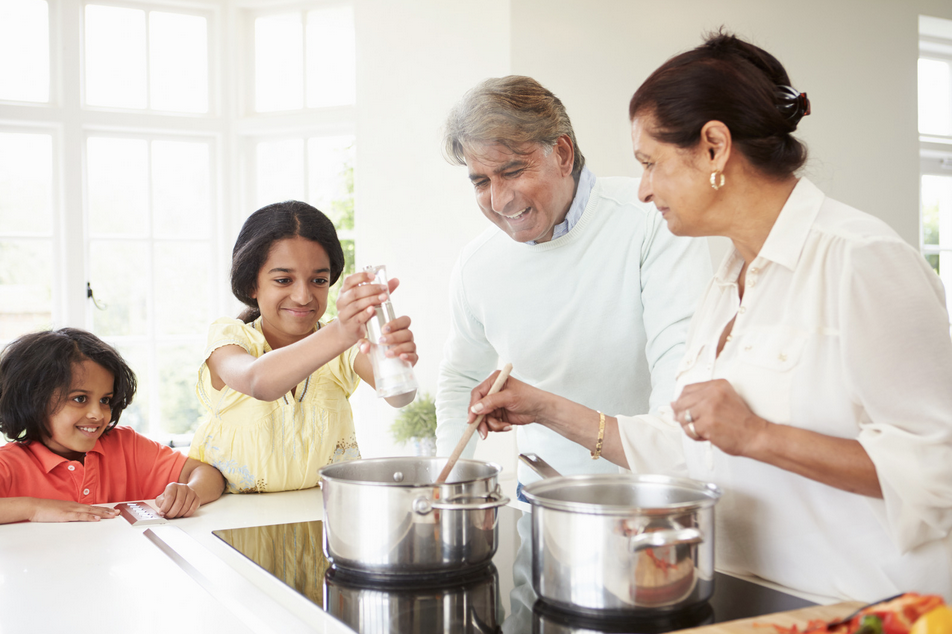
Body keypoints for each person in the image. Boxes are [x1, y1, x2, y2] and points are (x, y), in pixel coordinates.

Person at [467, 33, 952, 602]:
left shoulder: (860, 257)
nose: (643, 190)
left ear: (715, 147)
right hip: (743, 602)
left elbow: (937, 466)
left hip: (856, 610)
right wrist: (545, 408)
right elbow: (685, 449)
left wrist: (760, 435)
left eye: (651, 164)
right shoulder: (728, 281)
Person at [436, 76, 712, 490]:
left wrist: (658, 494)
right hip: (543, 502)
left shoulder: (651, 222)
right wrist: (446, 487)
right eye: (480, 181)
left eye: (512, 171)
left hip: (646, 499)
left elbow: (679, 387)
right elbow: (460, 378)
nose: (498, 200)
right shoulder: (478, 263)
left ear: (562, 153)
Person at [188, 200, 417, 494]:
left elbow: (401, 397)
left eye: (318, 280)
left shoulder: (346, 344)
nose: (303, 296)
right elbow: (258, 381)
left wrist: (395, 357)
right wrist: (342, 332)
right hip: (233, 517)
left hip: (321, 515)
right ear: (251, 286)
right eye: (284, 280)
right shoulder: (230, 338)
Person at [0, 328, 224, 524]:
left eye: (105, 400)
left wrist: (189, 492)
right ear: (33, 400)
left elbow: (207, 474)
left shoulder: (126, 447)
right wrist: (34, 508)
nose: (98, 414)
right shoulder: (9, 464)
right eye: (79, 399)